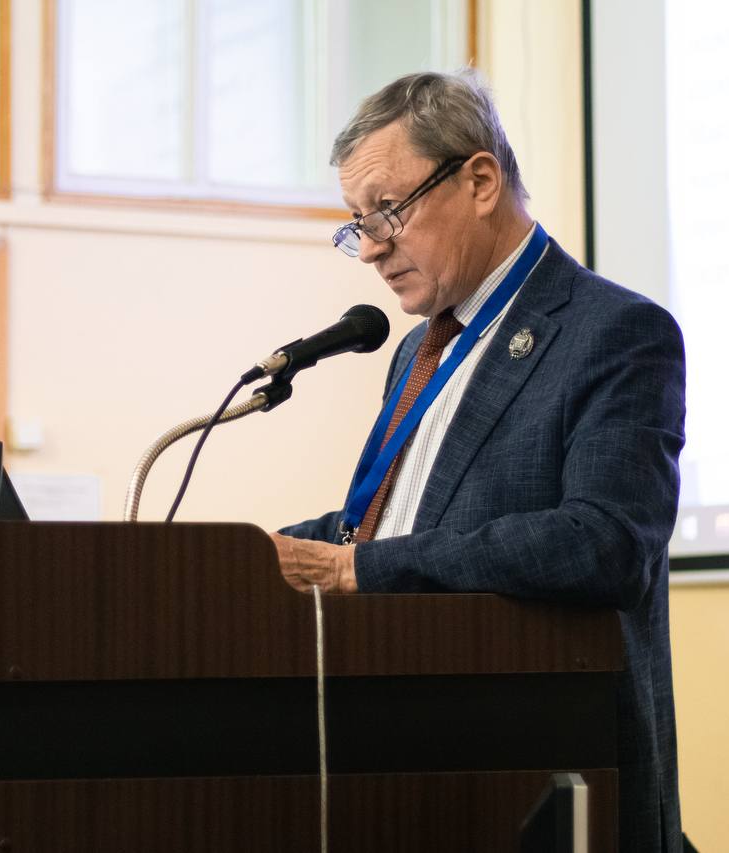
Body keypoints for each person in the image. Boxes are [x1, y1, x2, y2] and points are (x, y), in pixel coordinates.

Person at [272, 71, 686, 853]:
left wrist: (358, 569)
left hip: (549, 772)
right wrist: (246, 557)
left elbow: (606, 542)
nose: (370, 248)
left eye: (387, 210)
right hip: (414, 757)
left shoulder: (614, 332)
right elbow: (392, 523)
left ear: (481, 181)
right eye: (357, 223)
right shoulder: (415, 354)